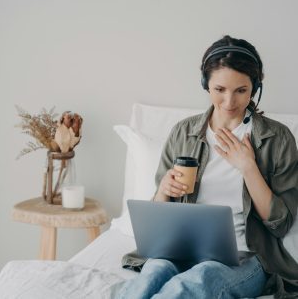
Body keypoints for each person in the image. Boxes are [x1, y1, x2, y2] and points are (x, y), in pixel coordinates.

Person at [117, 35, 298, 298]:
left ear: (256, 86)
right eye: (219, 90)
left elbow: (280, 224)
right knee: (153, 272)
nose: (229, 102)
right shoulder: (183, 132)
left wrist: (249, 168)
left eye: (241, 91)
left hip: (246, 258)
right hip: (180, 250)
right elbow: (157, 220)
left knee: (193, 282)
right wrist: (164, 191)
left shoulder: (277, 138)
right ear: (206, 84)